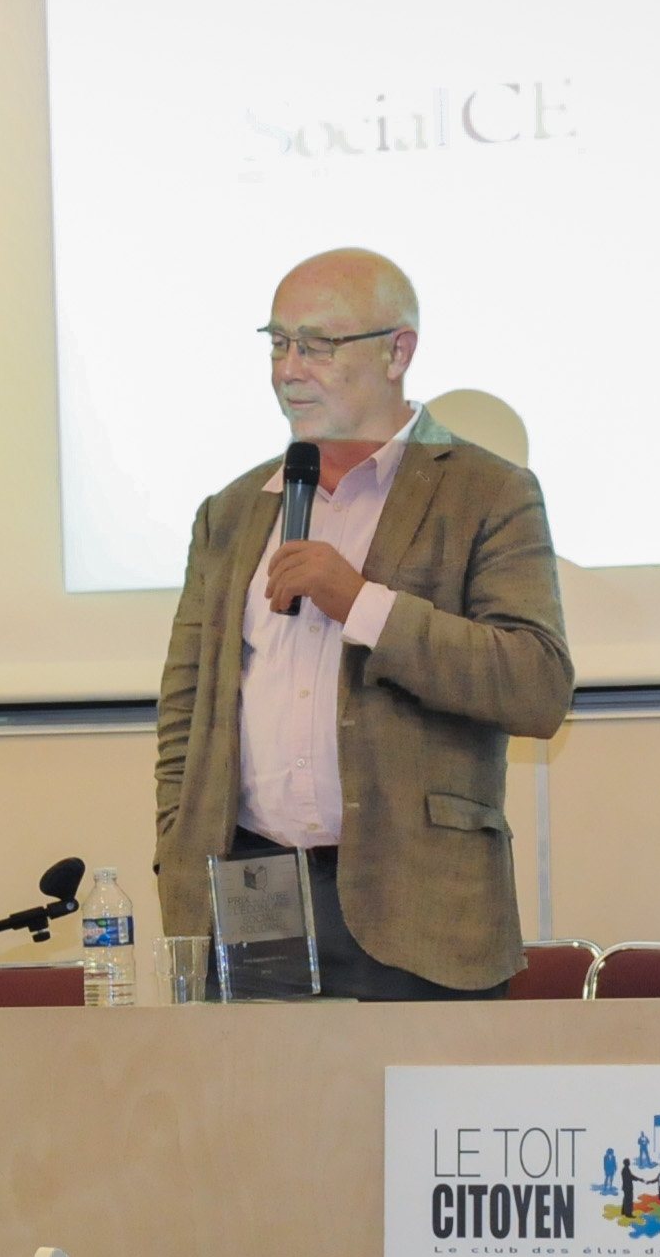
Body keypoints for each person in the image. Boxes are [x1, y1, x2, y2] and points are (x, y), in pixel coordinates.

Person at [154, 249, 573, 999]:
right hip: (253, 898)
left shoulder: (487, 491)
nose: (288, 369)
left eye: (316, 344)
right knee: (261, 1116)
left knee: (421, 1118)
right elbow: (186, 713)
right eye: (278, 343)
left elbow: (536, 684)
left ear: (397, 351)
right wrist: (181, 851)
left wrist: (360, 603)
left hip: (418, 907)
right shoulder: (233, 509)